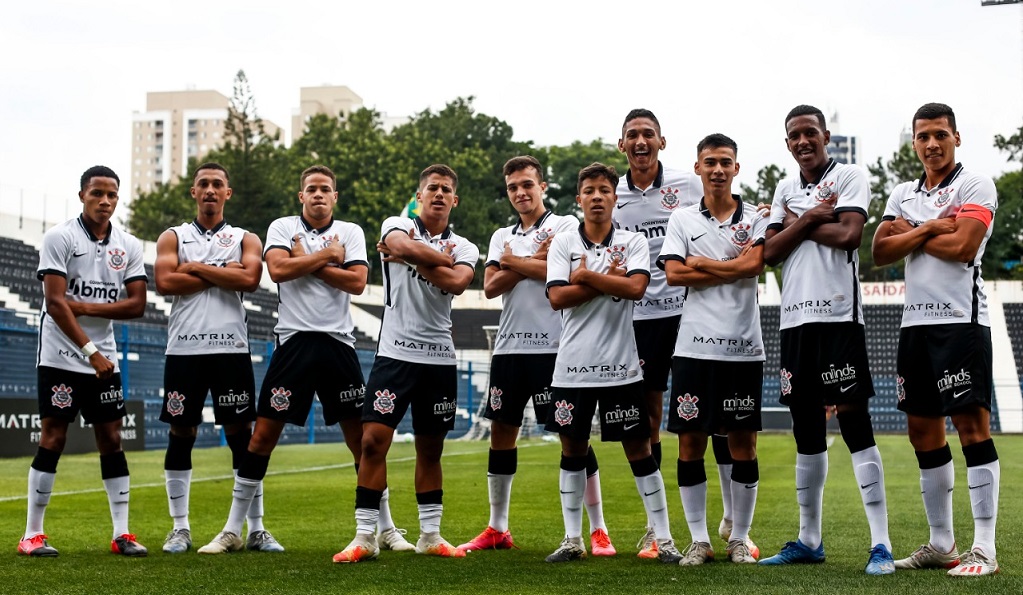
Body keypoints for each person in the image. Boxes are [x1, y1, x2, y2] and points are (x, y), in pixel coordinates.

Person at [198, 165, 414, 554]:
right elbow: (279, 271)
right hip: (294, 343)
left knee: (363, 443)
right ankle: (232, 530)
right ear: (301, 196)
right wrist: (331, 257)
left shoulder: (350, 232)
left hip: (338, 344)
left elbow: (357, 282)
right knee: (262, 437)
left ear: (335, 197)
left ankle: (386, 527)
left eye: (325, 189)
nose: (318, 194)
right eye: (311, 189)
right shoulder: (282, 226)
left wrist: (313, 260)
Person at [758, 105, 894, 575]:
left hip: (838, 317)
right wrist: (815, 216)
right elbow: (770, 252)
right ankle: (809, 540)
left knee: (856, 424)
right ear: (788, 142)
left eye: (809, 133)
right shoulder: (783, 187)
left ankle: (881, 544)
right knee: (806, 429)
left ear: (825, 136)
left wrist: (801, 222)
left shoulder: (851, 175)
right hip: (794, 321)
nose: (802, 141)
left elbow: (851, 234)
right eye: (794, 135)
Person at [458, 156, 614, 556]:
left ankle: (598, 530)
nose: (520, 192)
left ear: (542, 186)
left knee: (572, 435)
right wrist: (527, 261)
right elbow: (491, 285)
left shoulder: (564, 226)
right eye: (512, 187)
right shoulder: (500, 236)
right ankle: (497, 527)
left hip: (555, 347)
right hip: (510, 348)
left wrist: (515, 261)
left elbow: (559, 272)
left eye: (527, 184)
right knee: (501, 433)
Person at [872, 102, 1000, 577]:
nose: (932, 143)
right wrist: (928, 228)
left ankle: (983, 548)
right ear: (914, 143)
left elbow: (963, 245)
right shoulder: (903, 191)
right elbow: (880, 249)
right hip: (914, 327)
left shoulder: (974, 184)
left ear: (956, 137)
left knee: (972, 429)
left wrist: (910, 233)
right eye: (923, 136)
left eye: (940, 134)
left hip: (961, 323)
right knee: (922, 432)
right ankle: (942, 543)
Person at [334, 164, 479, 563]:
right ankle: (366, 536)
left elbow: (457, 282)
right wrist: (430, 258)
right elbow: (412, 249)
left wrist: (411, 255)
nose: (438, 194)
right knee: (371, 442)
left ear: (454, 200)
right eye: (431, 188)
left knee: (430, 449)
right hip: (395, 354)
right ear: (419, 196)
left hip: (438, 357)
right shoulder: (395, 223)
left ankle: (430, 535)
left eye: (446, 190)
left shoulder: (466, 246)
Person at [614, 109, 741, 558]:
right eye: (633, 135)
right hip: (639, 319)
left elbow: (728, 213)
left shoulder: (688, 184)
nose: (641, 141)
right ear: (621, 145)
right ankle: (656, 526)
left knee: (719, 416)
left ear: (662, 142)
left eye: (649, 134)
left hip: (689, 314)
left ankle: (730, 517)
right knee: (649, 418)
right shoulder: (611, 195)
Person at [542, 162, 683, 564]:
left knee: (638, 449)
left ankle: (665, 539)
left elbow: (637, 288)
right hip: (572, 366)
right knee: (572, 450)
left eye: (605, 189)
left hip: (621, 367)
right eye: (590, 190)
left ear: (615, 197)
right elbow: (556, 297)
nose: (598, 196)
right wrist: (607, 280)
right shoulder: (563, 243)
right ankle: (573, 539)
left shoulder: (633, 240)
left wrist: (585, 277)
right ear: (579, 199)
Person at [19, 165, 148, 557]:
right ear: (82, 196)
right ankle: (32, 535)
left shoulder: (129, 244)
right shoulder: (59, 237)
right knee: (53, 436)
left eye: (111, 195)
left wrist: (89, 309)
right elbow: (56, 304)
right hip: (62, 355)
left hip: (104, 358)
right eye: (97, 194)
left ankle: (122, 534)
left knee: (111, 438)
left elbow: (137, 304)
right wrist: (89, 351)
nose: (105, 201)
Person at [154, 162, 275, 553]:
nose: (209, 189)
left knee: (242, 437)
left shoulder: (245, 237)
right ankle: (180, 528)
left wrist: (194, 267)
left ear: (228, 193)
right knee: (181, 433)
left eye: (217, 184)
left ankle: (255, 528)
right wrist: (223, 270)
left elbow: (250, 280)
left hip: (231, 350)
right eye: (203, 184)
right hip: (185, 350)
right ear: (193, 192)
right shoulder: (172, 236)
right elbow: (166, 281)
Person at [658, 134, 767, 566]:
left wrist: (701, 262)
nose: (718, 169)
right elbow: (672, 273)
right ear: (698, 168)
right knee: (690, 444)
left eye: (725, 162)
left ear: (736, 168)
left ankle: (739, 537)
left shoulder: (757, 216)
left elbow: (754, 266)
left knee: (744, 444)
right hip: (694, 349)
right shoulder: (682, 219)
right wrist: (727, 267)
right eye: (710, 162)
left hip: (743, 349)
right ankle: (700, 540)